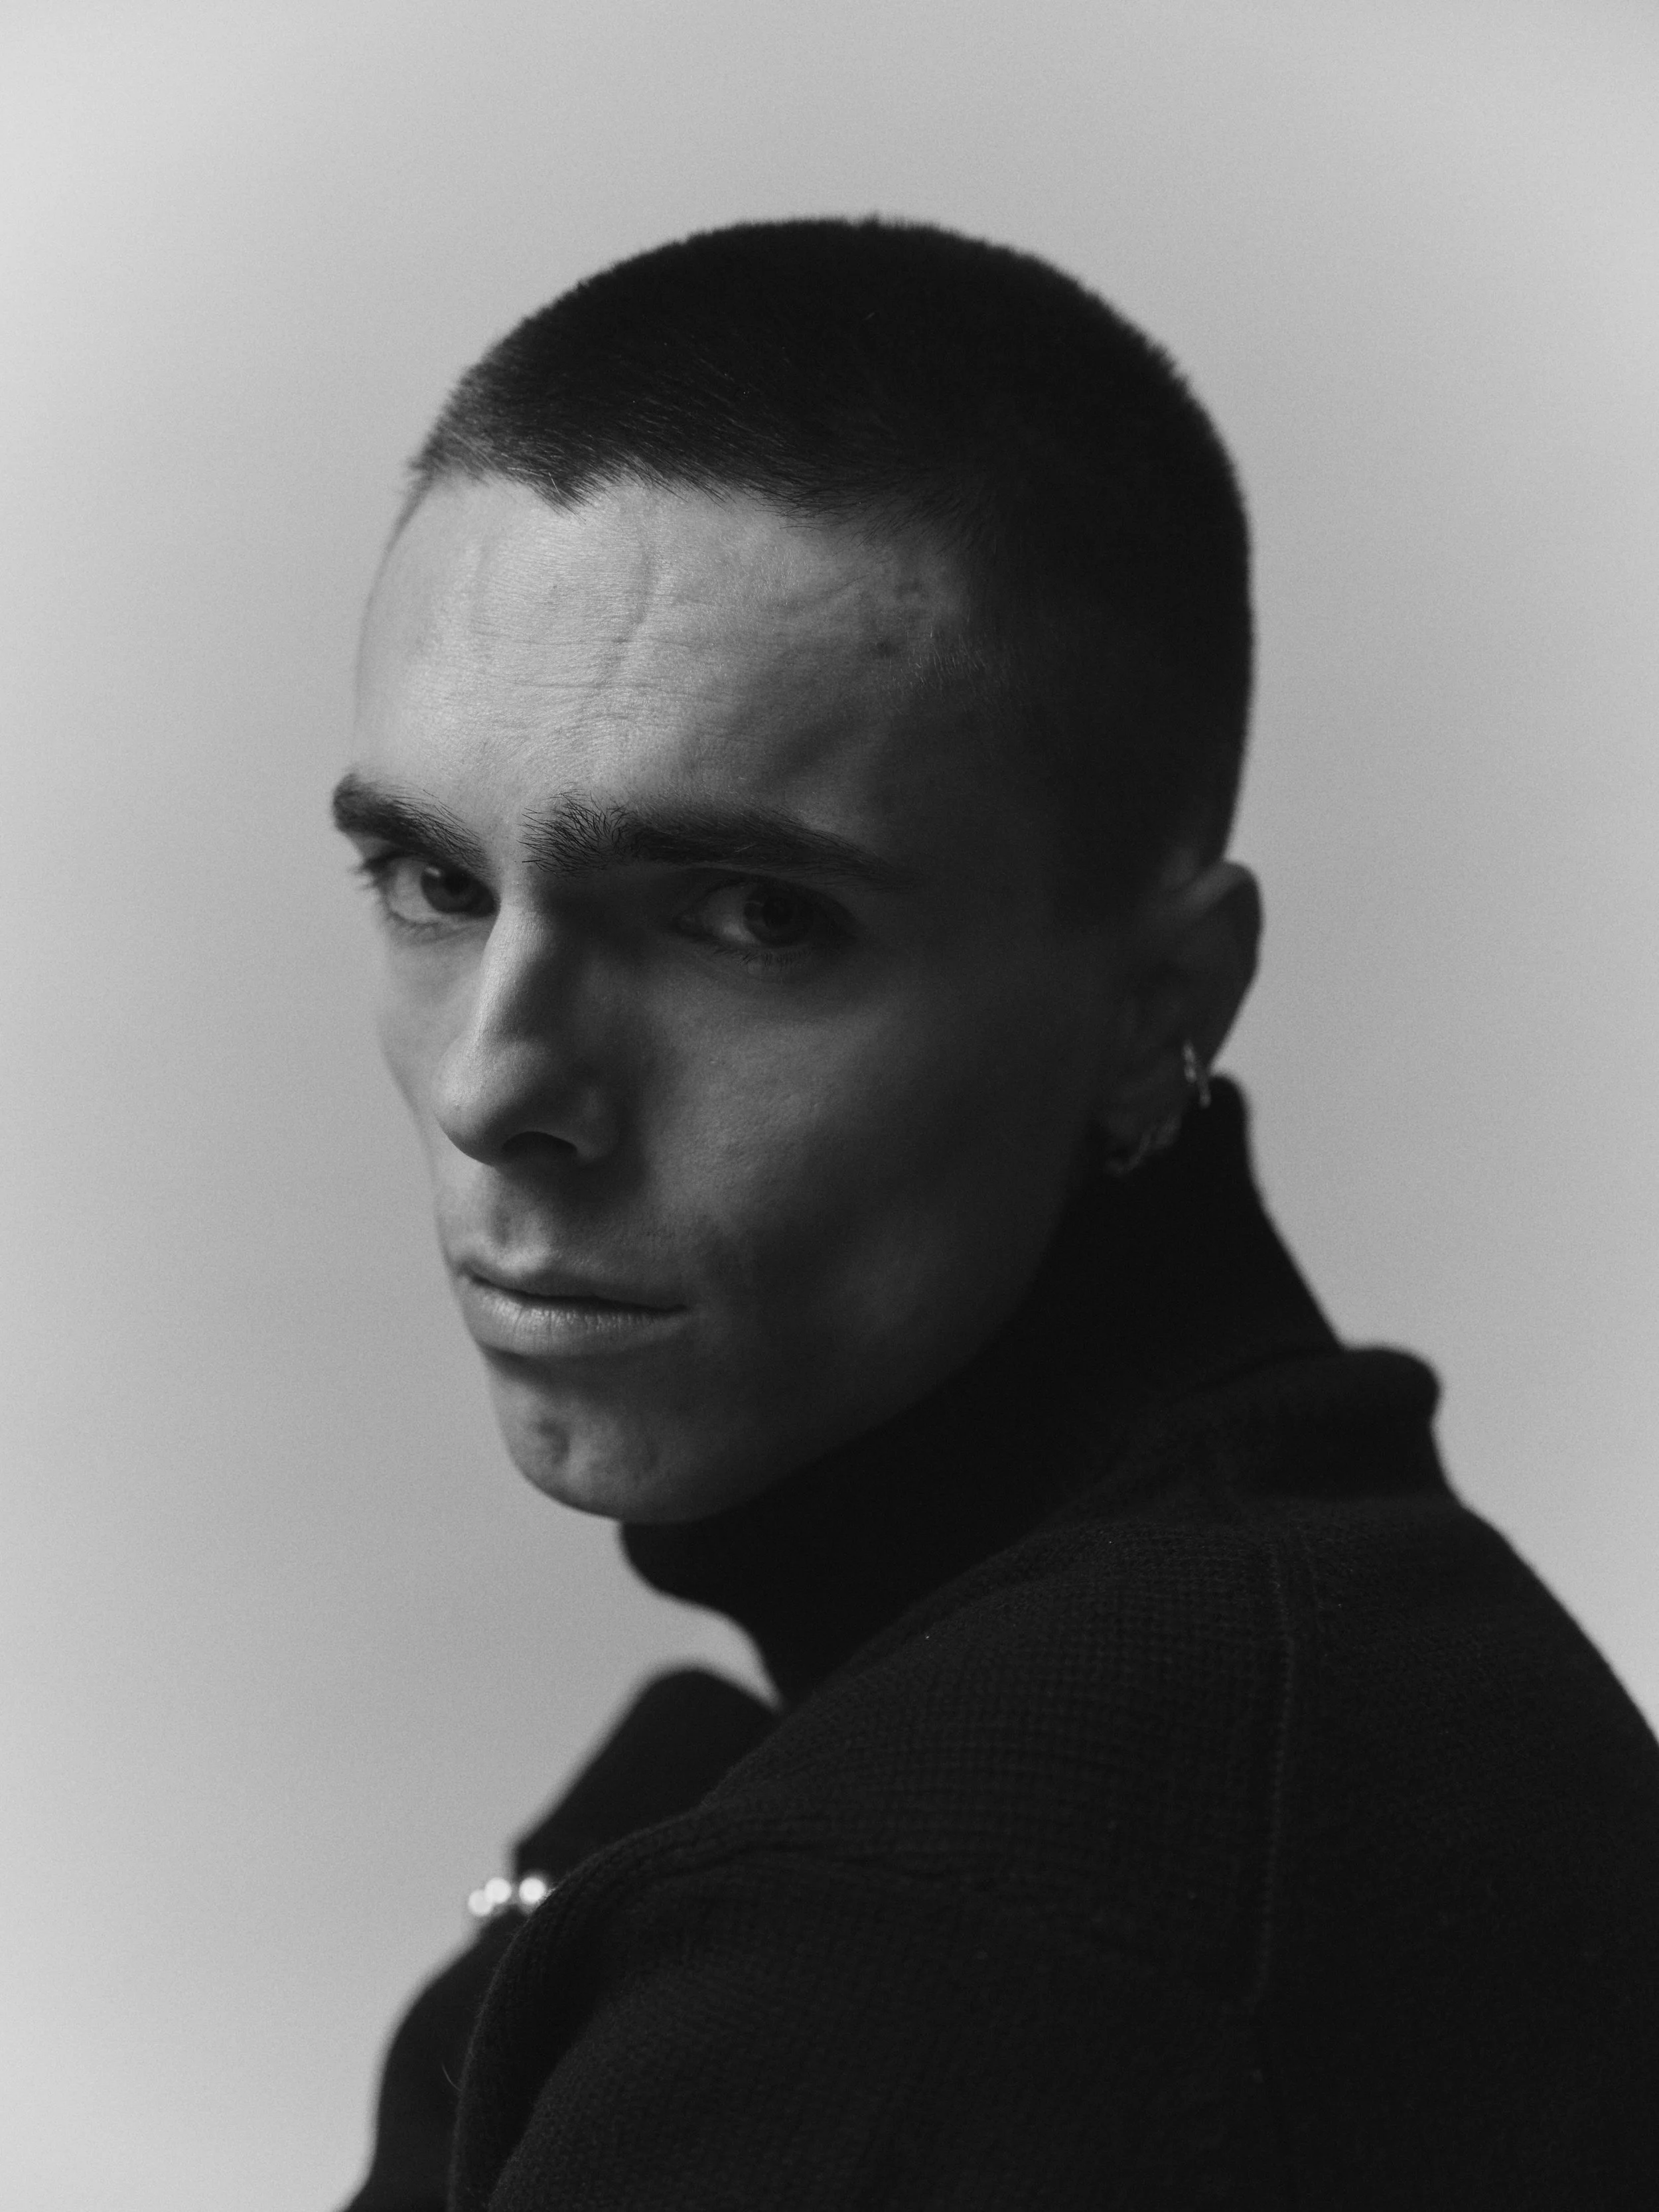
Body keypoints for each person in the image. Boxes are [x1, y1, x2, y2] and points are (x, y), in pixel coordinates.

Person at [330, 218, 1659, 2211]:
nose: (493, 1085)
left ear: (1159, 1009)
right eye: (435, 882)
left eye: (749, 915)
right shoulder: (1275, 1658)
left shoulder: (937, 1937)